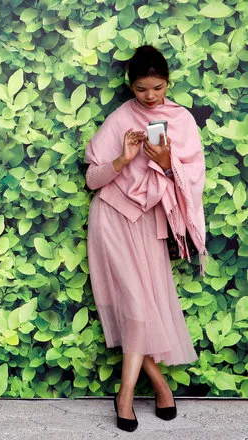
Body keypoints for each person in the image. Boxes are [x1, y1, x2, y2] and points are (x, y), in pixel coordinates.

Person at [84, 45, 207, 432]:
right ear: (130, 86)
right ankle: (126, 397)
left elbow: (192, 183)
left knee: (143, 311)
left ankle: (160, 387)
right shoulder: (121, 117)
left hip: (149, 222)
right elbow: (92, 179)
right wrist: (122, 159)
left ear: (167, 82)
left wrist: (167, 163)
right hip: (113, 218)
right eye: (140, 89)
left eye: (156, 87)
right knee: (136, 307)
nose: (150, 96)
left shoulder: (182, 121)